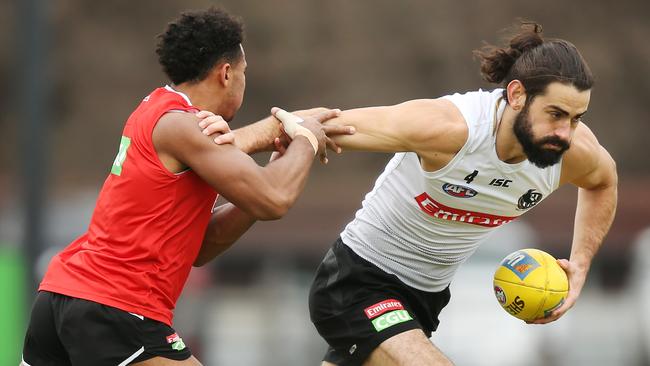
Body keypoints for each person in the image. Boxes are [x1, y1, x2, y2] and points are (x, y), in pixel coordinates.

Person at [203, 22, 618, 365]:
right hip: (357, 282)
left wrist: (580, 263)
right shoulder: (448, 129)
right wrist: (215, 148)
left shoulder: (571, 152)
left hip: (425, 301)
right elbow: (318, 123)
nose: (565, 132)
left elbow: (604, 181)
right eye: (556, 115)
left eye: (577, 118)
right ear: (515, 95)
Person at [21, 7, 353, 366]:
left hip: (63, 296)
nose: (244, 80)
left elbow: (201, 247)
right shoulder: (182, 124)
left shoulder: (157, 110)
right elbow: (274, 198)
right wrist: (305, 139)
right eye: (244, 73)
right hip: (116, 307)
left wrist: (262, 182)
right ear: (226, 74)